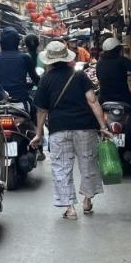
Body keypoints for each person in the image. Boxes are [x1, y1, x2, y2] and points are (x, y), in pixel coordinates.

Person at [30, 41, 111, 219]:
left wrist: (38, 134)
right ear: (66, 58)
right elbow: (93, 101)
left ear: (49, 60)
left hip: (59, 129)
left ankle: (70, 208)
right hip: (85, 127)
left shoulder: (45, 80)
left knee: (61, 168)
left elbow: (42, 110)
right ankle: (87, 200)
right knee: (88, 164)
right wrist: (103, 127)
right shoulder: (79, 76)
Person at [0, 28, 40, 110]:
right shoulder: (25, 57)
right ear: (17, 42)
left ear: (1, 42)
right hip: (20, 102)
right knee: (35, 111)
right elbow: (35, 78)